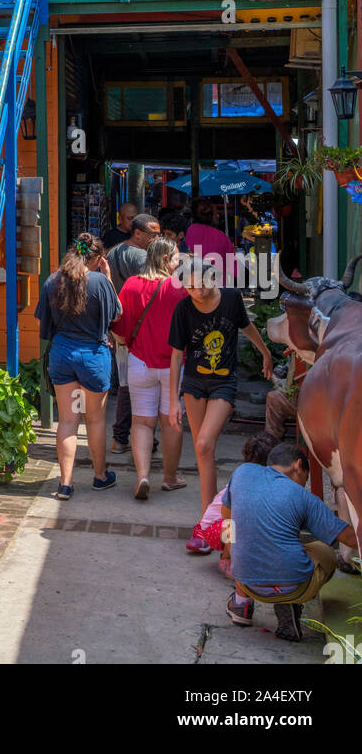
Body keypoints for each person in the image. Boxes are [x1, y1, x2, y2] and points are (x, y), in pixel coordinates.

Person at [168, 257, 273, 526]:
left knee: (204, 442)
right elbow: (177, 356)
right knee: (203, 451)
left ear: (213, 280)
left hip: (224, 382)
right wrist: (172, 400)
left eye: (201, 286)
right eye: (190, 288)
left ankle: (210, 516)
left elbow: (246, 327)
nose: (197, 293)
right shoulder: (183, 309)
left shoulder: (231, 298)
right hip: (193, 383)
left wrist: (265, 353)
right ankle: (209, 517)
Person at [222, 441, 357, 641]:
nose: (305, 483)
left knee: (246, 539)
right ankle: (290, 600)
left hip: (246, 580)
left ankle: (241, 605)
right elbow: (348, 538)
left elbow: (226, 516)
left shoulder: (243, 473)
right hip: (295, 586)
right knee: (324, 552)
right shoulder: (303, 496)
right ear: (297, 466)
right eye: (306, 477)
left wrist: (228, 552)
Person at [35, 232, 121, 500]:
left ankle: (65, 484)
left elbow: (43, 323)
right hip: (93, 355)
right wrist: (107, 278)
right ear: (96, 258)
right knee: (94, 420)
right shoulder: (99, 281)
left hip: (62, 354)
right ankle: (99, 476)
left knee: (68, 421)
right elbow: (117, 313)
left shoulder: (53, 280)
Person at [111, 236, 187, 499]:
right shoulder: (180, 288)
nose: (179, 263)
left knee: (142, 423)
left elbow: (119, 326)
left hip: (139, 362)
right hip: (173, 367)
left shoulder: (131, 285)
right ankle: (169, 477)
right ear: (166, 260)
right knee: (171, 422)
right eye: (177, 258)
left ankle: (142, 476)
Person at [106, 213, 160, 454]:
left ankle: (127, 436)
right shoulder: (143, 258)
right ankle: (128, 435)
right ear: (137, 233)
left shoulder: (114, 252)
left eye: (158, 233)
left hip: (119, 327)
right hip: (141, 329)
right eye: (152, 234)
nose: (156, 238)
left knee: (128, 383)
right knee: (138, 387)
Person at [187, 431, 277, 560]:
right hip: (213, 531)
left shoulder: (245, 474)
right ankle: (226, 559)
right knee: (239, 524)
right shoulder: (248, 481)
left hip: (214, 527)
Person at [186, 197, 235, 267]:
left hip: (191, 276)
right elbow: (232, 266)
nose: (218, 215)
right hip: (218, 276)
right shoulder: (222, 237)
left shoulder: (188, 232)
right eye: (216, 212)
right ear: (211, 215)